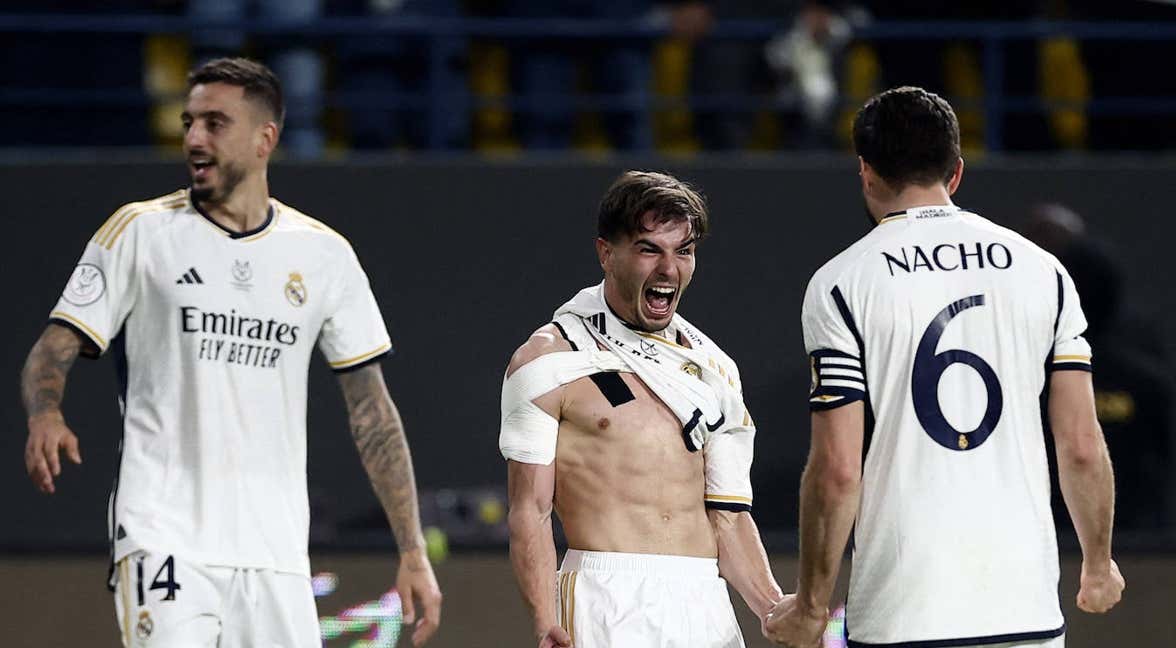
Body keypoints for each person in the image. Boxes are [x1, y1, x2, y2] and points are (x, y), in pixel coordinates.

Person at [19, 58, 441, 647]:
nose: (194, 137)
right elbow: (53, 347)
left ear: (265, 138)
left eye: (215, 123)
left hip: (276, 552)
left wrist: (412, 549)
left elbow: (372, 413)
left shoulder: (324, 255)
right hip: (163, 535)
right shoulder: (139, 232)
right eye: (190, 121)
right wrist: (46, 413)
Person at [764, 86, 1124, 648]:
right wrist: (1099, 563)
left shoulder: (842, 283)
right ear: (956, 172)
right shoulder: (1044, 272)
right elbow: (1080, 442)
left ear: (865, 171)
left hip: (904, 614)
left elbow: (837, 469)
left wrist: (812, 606)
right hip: (1023, 611)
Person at [502, 170, 782, 647]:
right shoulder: (548, 359)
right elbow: (530, 508)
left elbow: (729, 515)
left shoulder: (715, 370)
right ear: (606, 253)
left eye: (684, 251)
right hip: (604, 598)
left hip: (704, 603)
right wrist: (544, 616)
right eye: (650, 249)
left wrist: (773, 609)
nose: (668, 269)